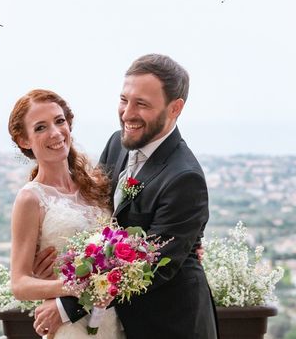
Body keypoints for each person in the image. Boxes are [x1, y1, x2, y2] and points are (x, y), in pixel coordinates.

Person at [34, 54, 219, 339]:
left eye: (141, 104)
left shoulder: (185, 178)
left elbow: (149, 268)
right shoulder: (117, 144)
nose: (127, 113)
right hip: (116, 322)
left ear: (175, 109)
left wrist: (65, 305)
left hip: (168, 326)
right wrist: (53, 259)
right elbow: (96, 217)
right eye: (124, 99)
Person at [8, 89, 122, 338]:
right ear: (24, 140)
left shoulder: (96, 184)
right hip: (71, 327)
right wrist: (74, 286)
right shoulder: (30, 198)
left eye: (59, 121)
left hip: (113, 321)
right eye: (40, 127)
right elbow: (19, 283)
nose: (55, 133)